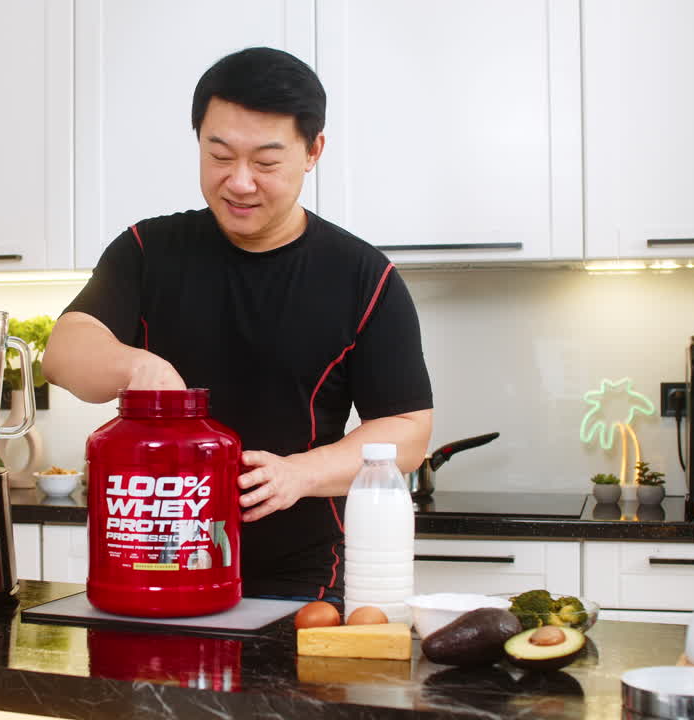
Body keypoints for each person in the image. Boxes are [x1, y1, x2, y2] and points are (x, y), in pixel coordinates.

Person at [43, 47, 433, 600]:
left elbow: (408, 430)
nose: (240, 182)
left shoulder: (363, 276)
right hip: (157, 561)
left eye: (266, 163)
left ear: (313, 151)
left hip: (300, 574)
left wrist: (299, 474)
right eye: (219, 155)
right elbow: (63, 351)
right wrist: (132, 363)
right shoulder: (148, 250)